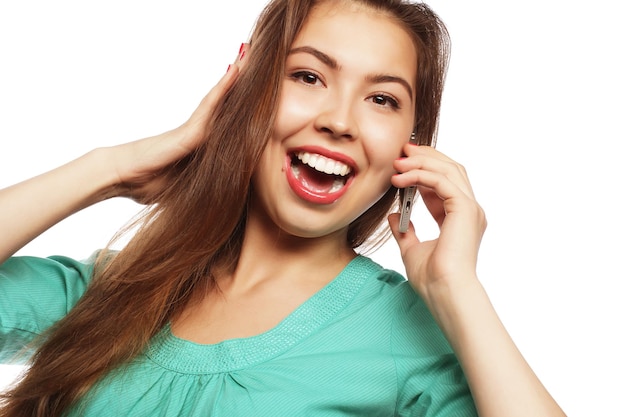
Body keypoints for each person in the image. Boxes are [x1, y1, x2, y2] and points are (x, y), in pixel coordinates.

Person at [0, 0, 565, 416]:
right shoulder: (118, 288)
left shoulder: (405, 337)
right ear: (245, 91)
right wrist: (108, 171)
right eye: (307, 76)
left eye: (382, 99)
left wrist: (457, 289)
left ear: (409, 148)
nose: (339, 121)